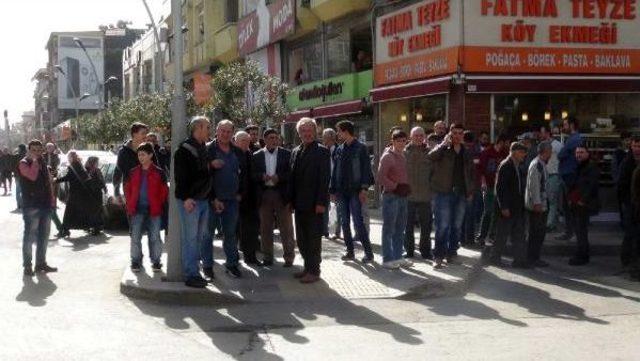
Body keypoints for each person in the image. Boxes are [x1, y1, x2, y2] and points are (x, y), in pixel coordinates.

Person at [289, 117, 330, 284]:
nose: (307, 133)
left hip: (315, 204)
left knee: (313, 239)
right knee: (302, 239)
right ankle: (307, 267)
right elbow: (292, 178)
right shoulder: (295, 151)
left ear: (315, 131)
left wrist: (321, 203)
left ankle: (314, 270)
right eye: (303, 131)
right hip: (299, 204)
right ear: (299, 133)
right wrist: (290, 200)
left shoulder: (322, 151)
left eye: (309, 130)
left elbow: (324, 179)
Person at [428, 124, 475, 269]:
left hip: (460, 193)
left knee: (456, 226)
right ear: (450, 134)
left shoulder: (466, 152)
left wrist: (470, 191)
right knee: (443, 226)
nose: (457, 136)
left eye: (460, 133)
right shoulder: (443, 149)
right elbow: (431, 156)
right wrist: (443, 144)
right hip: (443, 192)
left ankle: (452, 253)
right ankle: (438, 256)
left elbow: (471, 173)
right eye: (454, 133)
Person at [174, 116, 213, 288]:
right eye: (207, 127)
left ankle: (195, 272)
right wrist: (186, 198)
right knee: (190, 239)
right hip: (191, 201)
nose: (209, 131)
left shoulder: (203, 147)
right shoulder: (184, 149)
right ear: (198, 128)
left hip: (203, 200)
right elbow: (180, 177)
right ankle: (191, 275)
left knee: (198, 238)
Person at [206, 120, 246, 278]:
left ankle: (231, 264)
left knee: (230, 234)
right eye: (222, 131)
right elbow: (202, 175)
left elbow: (244, 174)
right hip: (212, 201)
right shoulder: (208, 150)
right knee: (207, 235)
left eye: (229, 132)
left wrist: (240, 193)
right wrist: (210, 164)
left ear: (233, 133)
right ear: (217, 131)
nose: (225, 134)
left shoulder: (237, 151)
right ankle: (208, 267)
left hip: (232, 201)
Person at [331, 120, 374, 263]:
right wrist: (333, 190)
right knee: (344, 222)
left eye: (339, 131)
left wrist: (364, 188)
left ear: (345, 131)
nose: (337, 134)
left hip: (355, 191)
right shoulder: (339, 149)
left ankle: (368, 253)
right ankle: (350, 251)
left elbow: (366, 169)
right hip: (341, 192)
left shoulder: (360, 148)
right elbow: (335, 170)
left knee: (358, 222)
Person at [253, 128, 295, 267]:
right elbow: (252, 174)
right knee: (265, 227)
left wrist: (279, 177)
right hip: (264, 194)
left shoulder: (286, 154)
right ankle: (267, 257)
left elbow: (291, 174)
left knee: (286, 227)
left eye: (276, 138)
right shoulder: (257, 155)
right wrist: (261, 177)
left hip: (281, 193)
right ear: (264, 139)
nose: (274, 140)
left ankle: (289, 256)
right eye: (271, 138)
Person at [124, 142, 169, 273]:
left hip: (154, 210)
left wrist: (158, 203)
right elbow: (127, 189)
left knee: (154, 237)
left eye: (143, 154)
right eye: (139, 155)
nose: (140, 157)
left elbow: (164, 190)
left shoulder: (159, 172)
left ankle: (156, 261)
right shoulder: (133, 172)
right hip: (136, 210)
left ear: (150, 155)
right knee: (135, 237)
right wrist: (130, 202)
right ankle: (135, 261)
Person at [18, 140, 57, 276]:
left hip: (45, 204)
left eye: (39, 150)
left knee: (44, 236)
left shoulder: (43, 162)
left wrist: (52, 200)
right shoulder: (23, 163)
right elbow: (33, 176)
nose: (36, 153)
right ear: (28, 150)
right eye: (33, 150)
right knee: (29, 237)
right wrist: (34, 161)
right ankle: (27, 266)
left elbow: (48, 182)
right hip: (31, 206)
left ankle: (40, 263)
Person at [490, 142, 529, 268]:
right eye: (522, 152)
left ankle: (519, 260)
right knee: (502, 234)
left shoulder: (516, 165)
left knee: (518, 234)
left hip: (516, 207)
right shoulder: (506, 165)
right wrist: (504, 207)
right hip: (507, 207)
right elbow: (501, 188)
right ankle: (495, 258)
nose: (524, 155)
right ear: (514, 152)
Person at [378, 129, 412, 269]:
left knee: (400, 228)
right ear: (393, 141)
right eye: (398, 141)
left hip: (402, 196)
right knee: (389, 228)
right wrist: (395, 186)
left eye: (404, 141)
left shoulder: (404, 155)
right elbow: (380, 177)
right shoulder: (387, 156)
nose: (401, 143)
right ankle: (387, 258)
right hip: (391, 196)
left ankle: (398, 256)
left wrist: (407, 187)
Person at [403, 126, 433, 259]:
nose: (419, 138)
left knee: (426, 226)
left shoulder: (430, 152)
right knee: (407, 226)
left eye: (421, 135)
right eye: (416, 135)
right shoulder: (404, 151)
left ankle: (425, 251)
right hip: (408, 195)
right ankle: (409, 250)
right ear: (411, 137)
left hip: (426, 195)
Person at [567, 145, 600, 266]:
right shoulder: (579, 166)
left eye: (581, 152)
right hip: (577, 203)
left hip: (583, 204)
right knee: (580, 231)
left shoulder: (591, 167)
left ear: (587, 153)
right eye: (577, 153)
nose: (579, 155)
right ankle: (581, 254)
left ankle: (582, 255)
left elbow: (591, 185)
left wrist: (583, 200)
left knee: (581, 231)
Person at [233, 130, 261, 265]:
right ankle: (234, 259)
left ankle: (251, 256)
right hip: (237, 199)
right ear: (236, 141)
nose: (245, 143)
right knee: (235, 230)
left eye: (247, 140)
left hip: (251, 198)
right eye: (242, 140)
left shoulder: (252, 155)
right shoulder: (232, 156)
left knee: (252, 229)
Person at [476, 134, 509, 247]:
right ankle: (482, 236)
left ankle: (492, 235)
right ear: (500, 142)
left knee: (496, 212)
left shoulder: (505, 153)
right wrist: (483, 182)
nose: (507, 146)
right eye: (506, 143)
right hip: (489, 185)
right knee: (488, 211)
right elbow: (480, 170)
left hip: (499, 186)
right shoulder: (487, 153)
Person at [55, 152, 98, 236]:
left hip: (75, 193)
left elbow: (68, 177)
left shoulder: (74, 166)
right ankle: (91, 226)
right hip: (81, 193)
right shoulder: (79, 165)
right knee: (80, 211)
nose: (68, 159)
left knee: (69, 212)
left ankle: (65, 230)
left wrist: (56, 180)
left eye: (69, 157)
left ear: (72, 157)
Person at [525, 141, 553, 268]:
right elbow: (534, 186)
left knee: (539, 232)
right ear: (546, 152)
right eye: (550, 151)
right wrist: (537, 203)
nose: (551, 154)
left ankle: (535, 257)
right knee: (535, 232)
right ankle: (532, 257)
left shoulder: (541, 164)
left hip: (542, 203)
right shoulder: (536, 165)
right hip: (538, 205)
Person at [556, 116, 583, 241]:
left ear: (572, 125)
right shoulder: (573, 139)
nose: (563, 126)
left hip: (570, 177)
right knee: (568, 207)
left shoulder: (574, 139)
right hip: (568, 176)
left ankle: (572, 233)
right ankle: (569, 232)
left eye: (566, 124)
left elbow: (561, 155)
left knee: (570, 207)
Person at [619, 136, 640, 271]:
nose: (637, 149)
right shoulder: (627, 163)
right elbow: (622, 185)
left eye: (639, 146)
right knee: (631, 234)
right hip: (631, 205)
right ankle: (629, 262)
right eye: (635, 146)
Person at [115, 122, 149, 198]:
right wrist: (116, 193)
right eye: (143, 133)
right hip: (131, 192)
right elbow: (118, 172)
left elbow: (157, 168)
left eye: (146, 133)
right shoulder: (123, 152)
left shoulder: (149, 149)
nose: (145, 136)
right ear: (134, 134)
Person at [539, 125, 563, 232]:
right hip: (545, 175)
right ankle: (553, 223)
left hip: (554, 175)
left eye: (542, 132)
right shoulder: (543, 145)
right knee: (549, 201)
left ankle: (549, 224)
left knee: (552, 201)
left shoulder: (557, 146)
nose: (540, 134)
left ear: (547, 133)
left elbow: (563, 159)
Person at [462, 130, 484, 248]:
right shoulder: (477, 151)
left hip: (469, 187)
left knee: (467, 214)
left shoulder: (464, 151)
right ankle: (468, 238)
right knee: (470, 214)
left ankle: (465, 238)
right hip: (473, 186)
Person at [322, 128, 341, 239]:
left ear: (332, 138)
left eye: (326, 137)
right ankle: (325, 230)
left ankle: (336, 231)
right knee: (324, 207)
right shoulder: (322, 151)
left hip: (336, 184)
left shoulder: (339, 150)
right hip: (324, 183)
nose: (324, 139)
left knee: (337, 209)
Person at [84, 156, 107, 235]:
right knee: (92, 210)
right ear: (93, 162)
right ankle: (93, 227)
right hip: (90, 193)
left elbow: (102, 181)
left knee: (96, 210)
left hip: (96, 193)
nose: (98, 163)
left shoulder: (97, 170)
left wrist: (104, 188)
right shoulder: (87, 170)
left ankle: (96, 228)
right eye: (97, 162)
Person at [14, 144, 27, 210]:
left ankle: (19, 204)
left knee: (18, 191)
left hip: (18, 176)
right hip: (25, 176)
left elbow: (13, 165)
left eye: (18, 148)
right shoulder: (27, 156)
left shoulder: (16, 156)